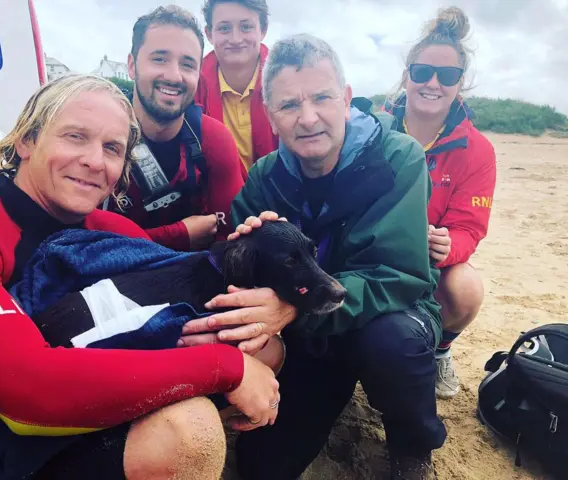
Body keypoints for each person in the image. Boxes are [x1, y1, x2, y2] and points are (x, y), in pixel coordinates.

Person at [0, 74, 295, 480]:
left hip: (71, 431)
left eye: (112, 148)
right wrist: (223, 366)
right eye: (75, 137)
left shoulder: (112, 233)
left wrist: (268, 288)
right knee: (188, 432)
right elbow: (28, 392)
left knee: (264, 350)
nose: (94, 161)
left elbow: (195, 301)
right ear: (27, 140)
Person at [180, 34, 447, 480]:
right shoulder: (266, 177)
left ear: (345, 99)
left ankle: (412, 442)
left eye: (322, 98)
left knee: (393, 344)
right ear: (272, 116)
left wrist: (292, 307)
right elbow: (240, 267)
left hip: (383, 312)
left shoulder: (399, 158)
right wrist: (242, 247)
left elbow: (398, 274)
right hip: (308, 333)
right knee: (263, 466)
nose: (308, 119)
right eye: (289, 106)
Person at [382, 6, 497, 399]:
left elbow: (469, 228)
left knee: (466, 287)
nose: (433, 83)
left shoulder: (477, 150)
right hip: (368, 251)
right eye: (422, 72)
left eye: (446, 75)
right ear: (407, 75)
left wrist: (449, 246)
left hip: (430, 261)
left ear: (460, 82)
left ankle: (440, 349)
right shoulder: (374, 129)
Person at [105, 5, 246, 252]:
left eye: (187, 64)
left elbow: (235, 239)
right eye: (159, 59)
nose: (174, 76)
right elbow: (82, 244)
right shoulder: (100, 137)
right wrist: (179, 234)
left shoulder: (213, 139)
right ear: (131, 65)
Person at [195, 0, 277, 174]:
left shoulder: (287, 80)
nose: (236, 39)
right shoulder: (191, 87)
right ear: (209, 34)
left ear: (263, 30)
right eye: (224, 28)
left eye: (246, 27)